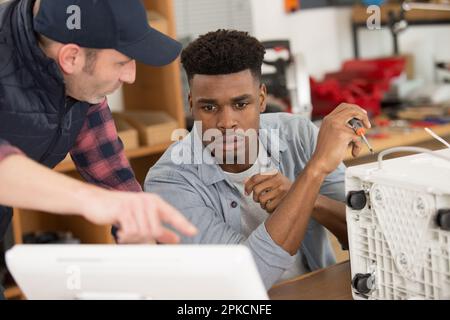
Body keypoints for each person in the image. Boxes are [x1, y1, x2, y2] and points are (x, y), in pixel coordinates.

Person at [144, 30, 370, 288]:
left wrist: (306, 198)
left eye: (241, 105)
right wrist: (313, 174)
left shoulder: (299, 135)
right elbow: (245, 279)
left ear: (261, 99)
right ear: (191, 104)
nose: (227, 122)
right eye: (209, 107)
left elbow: (367, 237)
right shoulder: (169, 181)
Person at [0, 0, 198, 285]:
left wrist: (144, 241)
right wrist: (92, 201)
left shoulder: (82, 85)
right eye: (121, 62)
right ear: (71, 58)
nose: (131, 76)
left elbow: (110, 173)